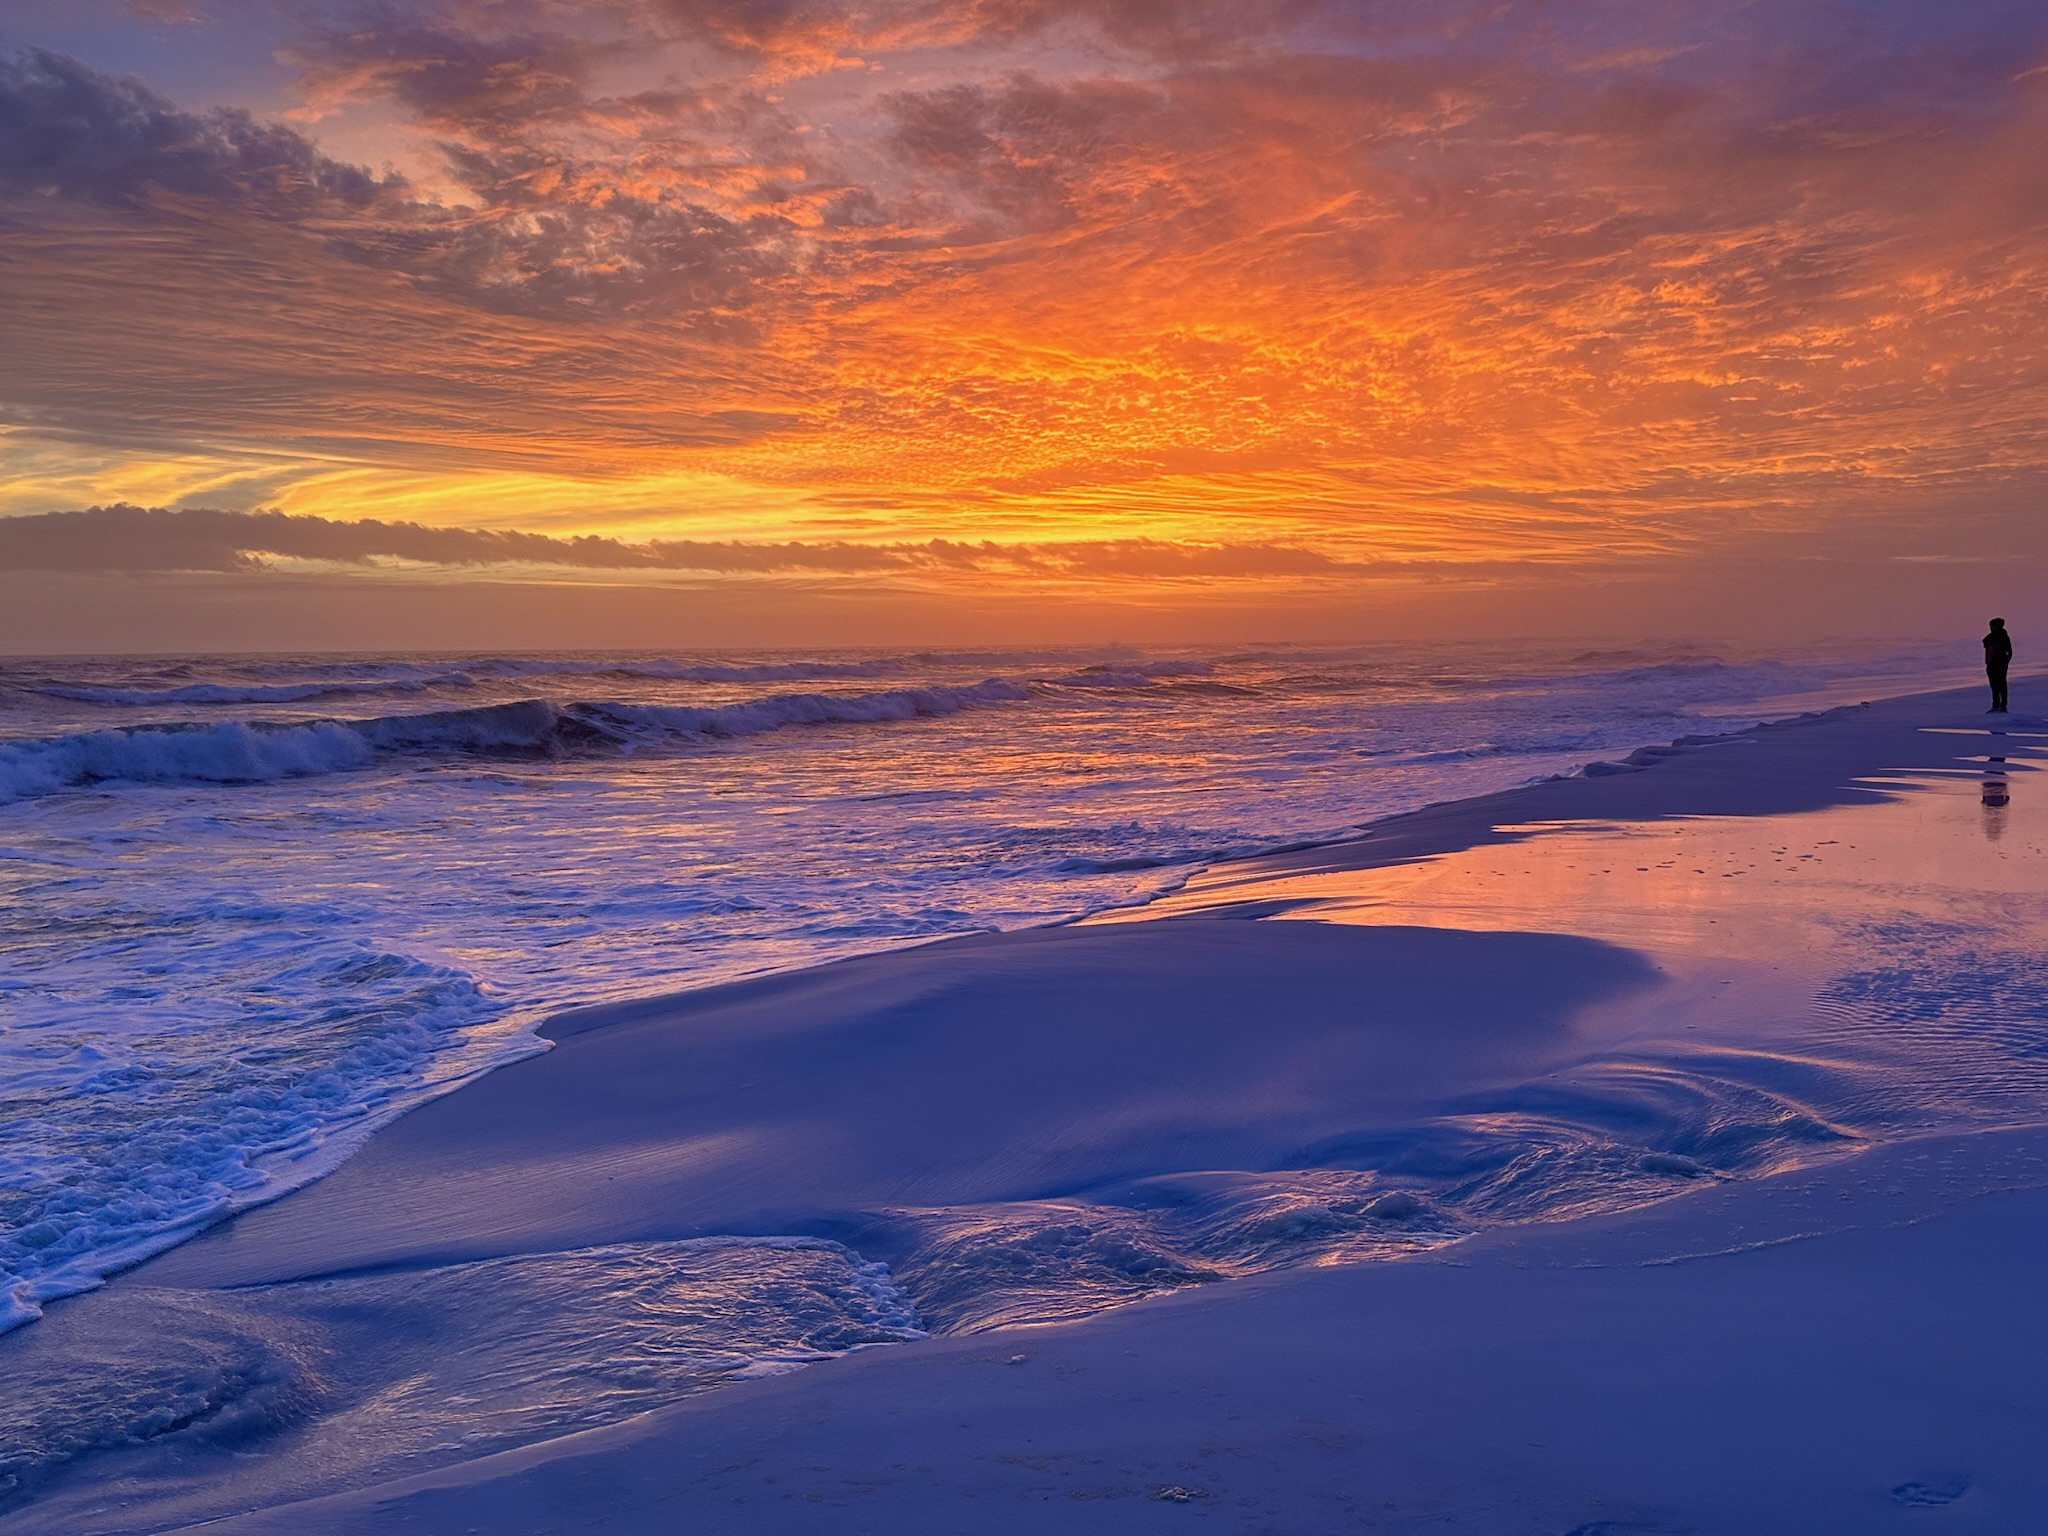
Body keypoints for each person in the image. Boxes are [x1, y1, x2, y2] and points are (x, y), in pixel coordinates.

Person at [1984, 618, 2012, 712]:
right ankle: (2002, 705)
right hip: (2002, 665)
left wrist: (1988, 664)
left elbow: (1990, 652)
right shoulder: (2005, 637)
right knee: (2001, 685)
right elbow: (2009, 652)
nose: (1990, 628)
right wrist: (2006, 661)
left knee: (1996, 685)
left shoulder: (1992, 638)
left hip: (1995, 665)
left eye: (1992, 626)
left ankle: (1997, 705)